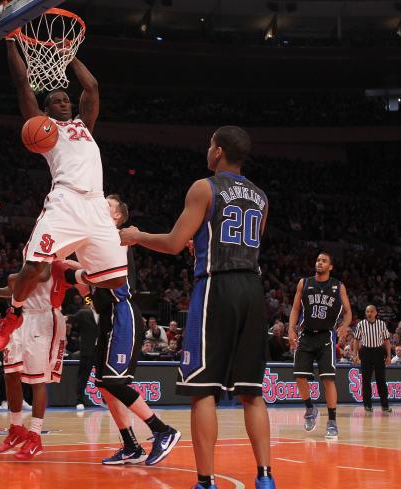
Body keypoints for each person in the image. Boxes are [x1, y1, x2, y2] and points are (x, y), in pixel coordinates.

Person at [120, 126, 275, 489]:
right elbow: (245, 246)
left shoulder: (204, 186)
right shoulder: (261, 196)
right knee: (252, 392)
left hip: (216, 286)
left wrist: (138, 236)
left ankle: (206, 481)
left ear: (218, 151)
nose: (208, 150)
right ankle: (265, 478)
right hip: (252, 288)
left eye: (210, 145)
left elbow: (175, 243)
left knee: (203, 389)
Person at [0, 38, 129, 351]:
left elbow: (92, 87)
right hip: (65, 202)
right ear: (46, 109)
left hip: (96, 203)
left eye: (66, 99)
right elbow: (22, 84)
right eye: (56, 101)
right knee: (33, 268)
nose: (64, 103)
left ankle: (73, 274)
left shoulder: (85, 125)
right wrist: (11, 42)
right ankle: (13, 313)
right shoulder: (45, 129)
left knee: (116, 280)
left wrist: (69, 56)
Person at [92, 194, 180, 467]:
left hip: (123, 313)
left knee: (115, 383)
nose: (100, 206)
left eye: (107, 205)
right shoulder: (94, 240)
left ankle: (162, 430)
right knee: (104, 386)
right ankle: (131, 445)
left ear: (118, 216)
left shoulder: (117, 236)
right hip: (106, 316)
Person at [0, 260, 74, 460]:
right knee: (10, 374)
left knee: (37, 381)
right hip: (20, 316)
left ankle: (35, 436)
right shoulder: (29, 253)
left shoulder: (50, 257)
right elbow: (13, 289)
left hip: (43, 317)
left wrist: (14, 277)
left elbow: (41, 276)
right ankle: (16, 428)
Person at [288, 252, 352, 439]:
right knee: (299, 377)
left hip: (326, 336)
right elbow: (295, 309)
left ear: (330, 266)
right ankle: (310, 408)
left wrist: (345, 325)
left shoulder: (338, 286)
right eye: (317, 260)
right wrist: (291, 329)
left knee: (328, 380)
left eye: (324, 261)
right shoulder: (304, 283)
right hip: (306, 335)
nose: (319, 263)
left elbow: (348, 312)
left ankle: (332, 421)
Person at [352, 305, 392, 413]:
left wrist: (389, 356)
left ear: (375, 313)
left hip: (379, 352)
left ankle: (385, 406)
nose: (369, 313)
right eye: (367, 311)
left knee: (381, 380)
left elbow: (387, 341)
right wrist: (355, 355)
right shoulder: (361, 324)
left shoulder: (381, 324)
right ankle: (367, 406)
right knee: (366, 381)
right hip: (365, 352)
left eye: (371, 311)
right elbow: (356, 340)